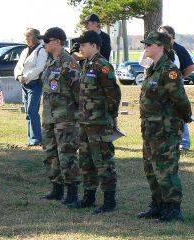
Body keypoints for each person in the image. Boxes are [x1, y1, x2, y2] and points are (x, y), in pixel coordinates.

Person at [138, 31, 192, 222]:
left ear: (161, 46)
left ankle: (173, 209)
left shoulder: (169, 70)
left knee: (166, 170)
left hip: (165, 130)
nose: (146, 48)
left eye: (149, 45)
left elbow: (181, 100)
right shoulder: (152, 69)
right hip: (150, 130)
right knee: (151, 169)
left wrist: (186, 117)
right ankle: (158, 205)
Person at [69, 31, 121, 214]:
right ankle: (89, 197)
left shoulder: (103, 66)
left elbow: (113, 94)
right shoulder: (87, 64)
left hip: (99, 123)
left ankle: (109, 201)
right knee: (86, 160)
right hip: (85, 122)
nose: (80, 48)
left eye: (83, 45)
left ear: (93, 45)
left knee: (103, 161)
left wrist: (111, 118)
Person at [38, 27, 81, 205]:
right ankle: (56, 188)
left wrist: (75, 115)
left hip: (65, 119)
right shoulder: (50, 61)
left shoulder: (68, 63)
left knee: (67, 155)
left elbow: (79, 92)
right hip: (49, 117)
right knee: (50, 153)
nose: (44, 44)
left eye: (46, 41)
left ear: (57, 42)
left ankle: (72, 192)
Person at [158, 25, 194, 151]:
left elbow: (190, 67)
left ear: (171, 36)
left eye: (164, 34)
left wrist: (180, 78)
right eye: (160, 33)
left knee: (179, 111)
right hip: (161, 88)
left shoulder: (179, 49)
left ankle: (184, 143)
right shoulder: (159, 48)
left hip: (175, 87)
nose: (161, 36)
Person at [14, 28, 47, 147]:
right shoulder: (24, 51)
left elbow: (39, 68)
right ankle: (31, 138)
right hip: (24, 84)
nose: (26, 39)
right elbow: (18, 66)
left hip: (35, 85)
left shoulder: (41, 50)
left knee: (32, 111)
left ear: (35, 37)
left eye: (28, 36)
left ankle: (37, 139)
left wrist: (25, 77)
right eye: (26, 36)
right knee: (28, 112)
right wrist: (18, 76)